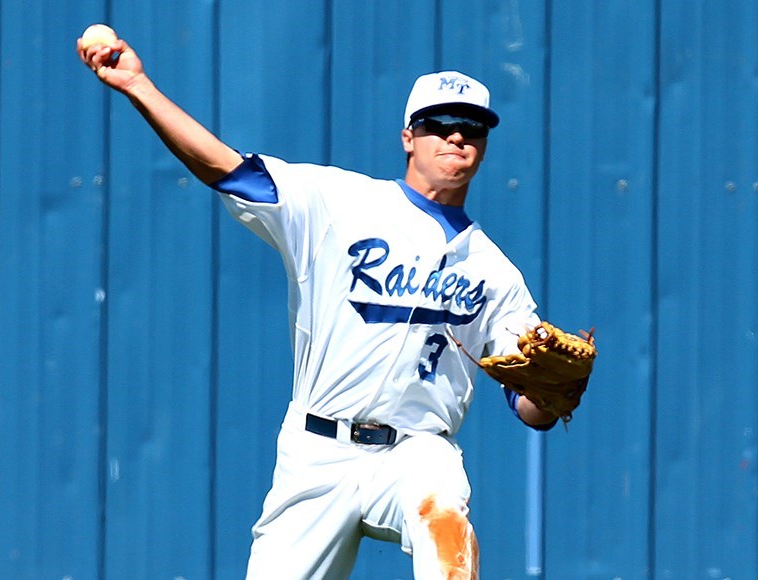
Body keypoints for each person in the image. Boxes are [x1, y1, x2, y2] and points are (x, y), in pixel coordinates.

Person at [79, 32, 561, 580]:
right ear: (409, 137)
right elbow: (226, 168)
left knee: (444, 517)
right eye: (438, 123)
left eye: (471, 126)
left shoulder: (495, 273)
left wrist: (553, 392)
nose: (456, 135)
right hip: (317, 452)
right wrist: (138, 86)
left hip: (417, 451)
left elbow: (529, 406)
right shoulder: (338, 203)